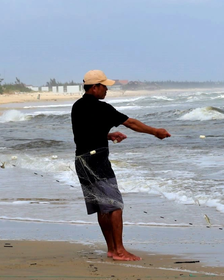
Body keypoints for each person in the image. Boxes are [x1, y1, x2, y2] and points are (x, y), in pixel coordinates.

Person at [72, 70, 170, 261]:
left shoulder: (77, 106)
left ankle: (111, 249)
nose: (106, 89)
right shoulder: (102, 108)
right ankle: (119, 251)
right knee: (115, 206)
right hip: (96, 161)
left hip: (81, 160)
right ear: (94, 87)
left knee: (102, 207)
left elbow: (84, 134)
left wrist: (107, 136)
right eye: (104, 86)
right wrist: (155, 132)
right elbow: (131, 123)